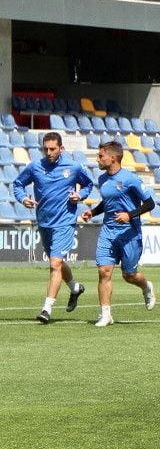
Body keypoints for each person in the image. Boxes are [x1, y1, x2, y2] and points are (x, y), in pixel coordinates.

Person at [13, 132, 93, 323]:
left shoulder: (73, 167)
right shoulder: (35, 167)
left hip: (65, 221)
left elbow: (88, 184)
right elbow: (18, 184)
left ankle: (46, 309)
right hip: (44, 222)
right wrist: (23, 198)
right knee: (56, 261)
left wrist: (80, 196)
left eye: (52, 149)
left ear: (61, 149)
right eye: (46, 149)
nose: (48, 152)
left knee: (54, 264)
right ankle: (75, 288)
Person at [79, 141, 157, 327]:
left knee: (129, 275)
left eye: (101, 156)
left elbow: (149, 204)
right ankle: (105, 314)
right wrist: (93, 212)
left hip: (129, 234)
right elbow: (108, 202)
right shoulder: (102, 179)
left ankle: (146, 287)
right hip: (108, 231)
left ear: (112, 158)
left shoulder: (131, 179)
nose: (98, 159)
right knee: (104, 271)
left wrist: (129, 215)